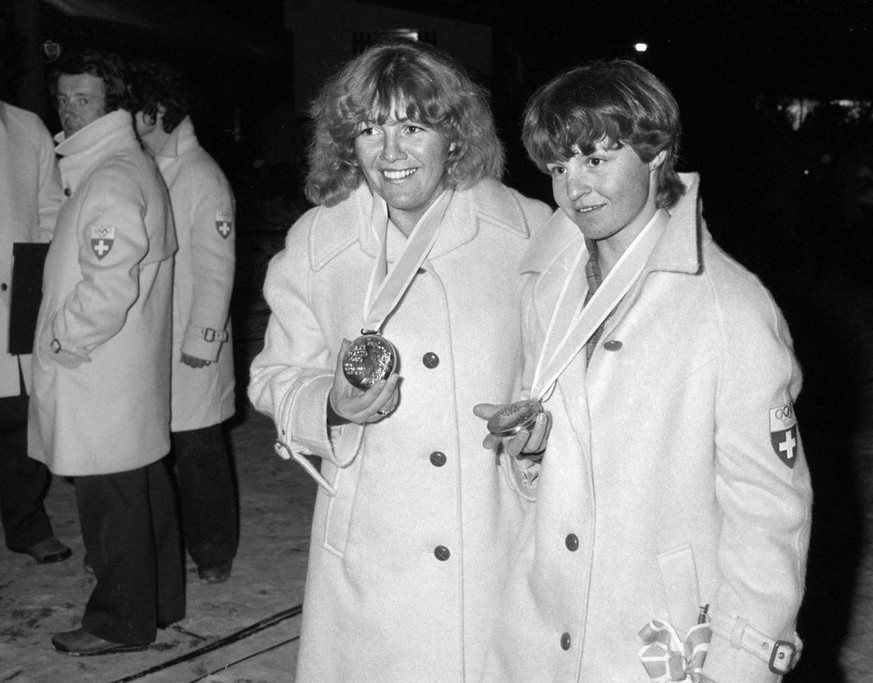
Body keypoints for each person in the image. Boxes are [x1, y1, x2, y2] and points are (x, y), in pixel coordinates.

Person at [477, 60, 813, 682]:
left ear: (656, 154)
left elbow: (770, 512)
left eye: (596, 160)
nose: (573, 188)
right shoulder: (546, 283)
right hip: (542, 625)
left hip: (659, 639)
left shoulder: (726, 306)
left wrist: (740, 664)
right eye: (558, 167)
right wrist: (530, 450)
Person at [248, 39, 551, 681]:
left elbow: (566, 380)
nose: (390, 153)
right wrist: (328, 405)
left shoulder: (530, 233)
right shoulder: (319, 242)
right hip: (371, 556)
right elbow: (274, 375)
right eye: (368, 129)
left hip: (493, 545)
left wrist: (536, 436)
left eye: (413, 127)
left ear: (455, 136)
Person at [28, 51, 184, 656]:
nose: (69, 108)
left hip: (98, 371)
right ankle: (161, 601)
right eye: (64, 98)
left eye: (84, 99)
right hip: (123, 372)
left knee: (111, 506)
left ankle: (118, 622)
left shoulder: (112, 174)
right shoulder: (120, 165)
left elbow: (108, 281)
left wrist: (64, 338)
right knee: (143, 492)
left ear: (113, 103)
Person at [131, 60, 238, 584]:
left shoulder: (200, 174)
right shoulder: (150, 166)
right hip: (155, 336)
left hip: (190, 343)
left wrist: (204, 338)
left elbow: (217, 267)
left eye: (132, 110)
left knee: (199, 452)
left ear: (154, 112)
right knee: (159, 449)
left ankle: (214, 549)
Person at [0, 98, 71, 565]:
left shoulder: (25, 128)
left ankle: (26, 524)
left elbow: (51, 212)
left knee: (19, 419)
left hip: (14, 296)